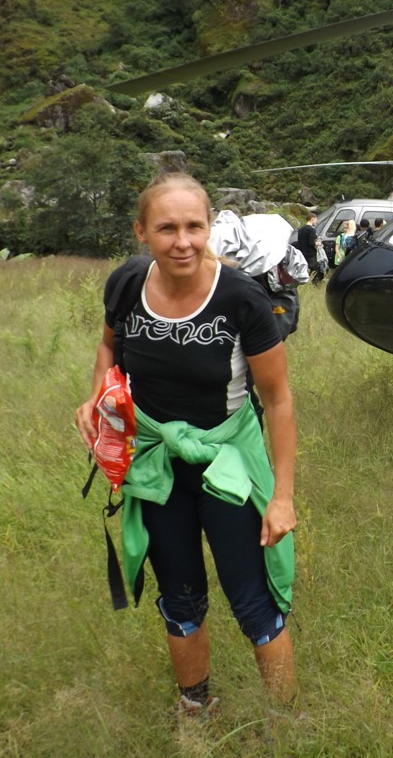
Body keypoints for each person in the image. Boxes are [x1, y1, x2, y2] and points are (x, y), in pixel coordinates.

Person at [74, 172, 298, 727]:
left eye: (194, 227)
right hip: (156, 466)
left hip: (226, 465)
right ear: (142, 232)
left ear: (210, 228)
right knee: (179, 597)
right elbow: (108, 346)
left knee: (253, 602)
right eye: (167, 228)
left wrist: (283, 497)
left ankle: (285, 725)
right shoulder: (127, 283)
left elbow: (279, 401)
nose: (183, 241)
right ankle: (195, 710)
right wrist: (97, 394)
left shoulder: (241, 298)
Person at [295, 213, 322, 282]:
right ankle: (313, 283)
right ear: (312, 219)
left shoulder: (301, 230)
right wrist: (318, 243)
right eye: (315, 220)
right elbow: (311, 242)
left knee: (304, 269)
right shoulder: (312, 230)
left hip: (302, 253)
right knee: (315, 268)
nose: (316, 222)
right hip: (310, 254)